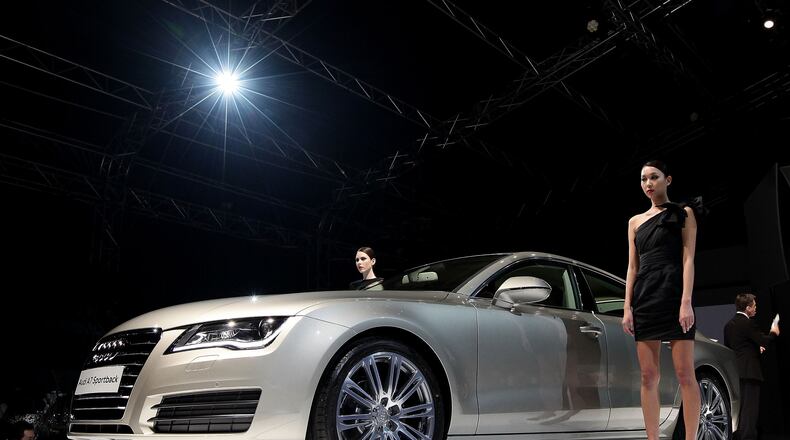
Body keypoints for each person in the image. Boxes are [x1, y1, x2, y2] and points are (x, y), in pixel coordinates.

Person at [622, 160, 702, 440]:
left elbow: (688, 258)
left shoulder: (684, 213)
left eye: (654, 177)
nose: (648, 184)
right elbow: (633, 267)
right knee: (648, 377)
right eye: (644, 179)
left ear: (668, 179)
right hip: (645, 298)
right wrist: (626, 308)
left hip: (673, 294)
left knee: (684, 374)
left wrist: (686, 301)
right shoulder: (634, 222)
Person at [723, 293, 780, 440]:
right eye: (754, 306)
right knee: (750, 408)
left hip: (735, 372)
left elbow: (733, 348)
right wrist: (773, 332)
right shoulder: (747, 323)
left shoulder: (728, 325)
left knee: (739, 407)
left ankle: (738, 436)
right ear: (747, 308)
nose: (756, 308)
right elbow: (764, 341)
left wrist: (755, 348)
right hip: (750, 372)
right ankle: (748, 437)